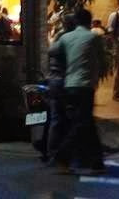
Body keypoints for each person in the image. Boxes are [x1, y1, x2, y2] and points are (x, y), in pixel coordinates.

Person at [50, 7, 106, 174]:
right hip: (85, 86)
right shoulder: (93, 37)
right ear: (89, 21)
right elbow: (102, 61)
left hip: (69, 85)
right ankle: (62, 157)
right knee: (81, 124)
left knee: (86, 123)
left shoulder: (66, 37)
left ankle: (97, 162)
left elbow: (52, 51)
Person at [46, 13, 77, 161]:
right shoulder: (68, 38)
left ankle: (54, 152)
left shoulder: (59, 36)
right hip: (63, 81)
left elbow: (51, 52)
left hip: (54, 80)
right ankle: (59, 153)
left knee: (57, 118)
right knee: (64, 118)